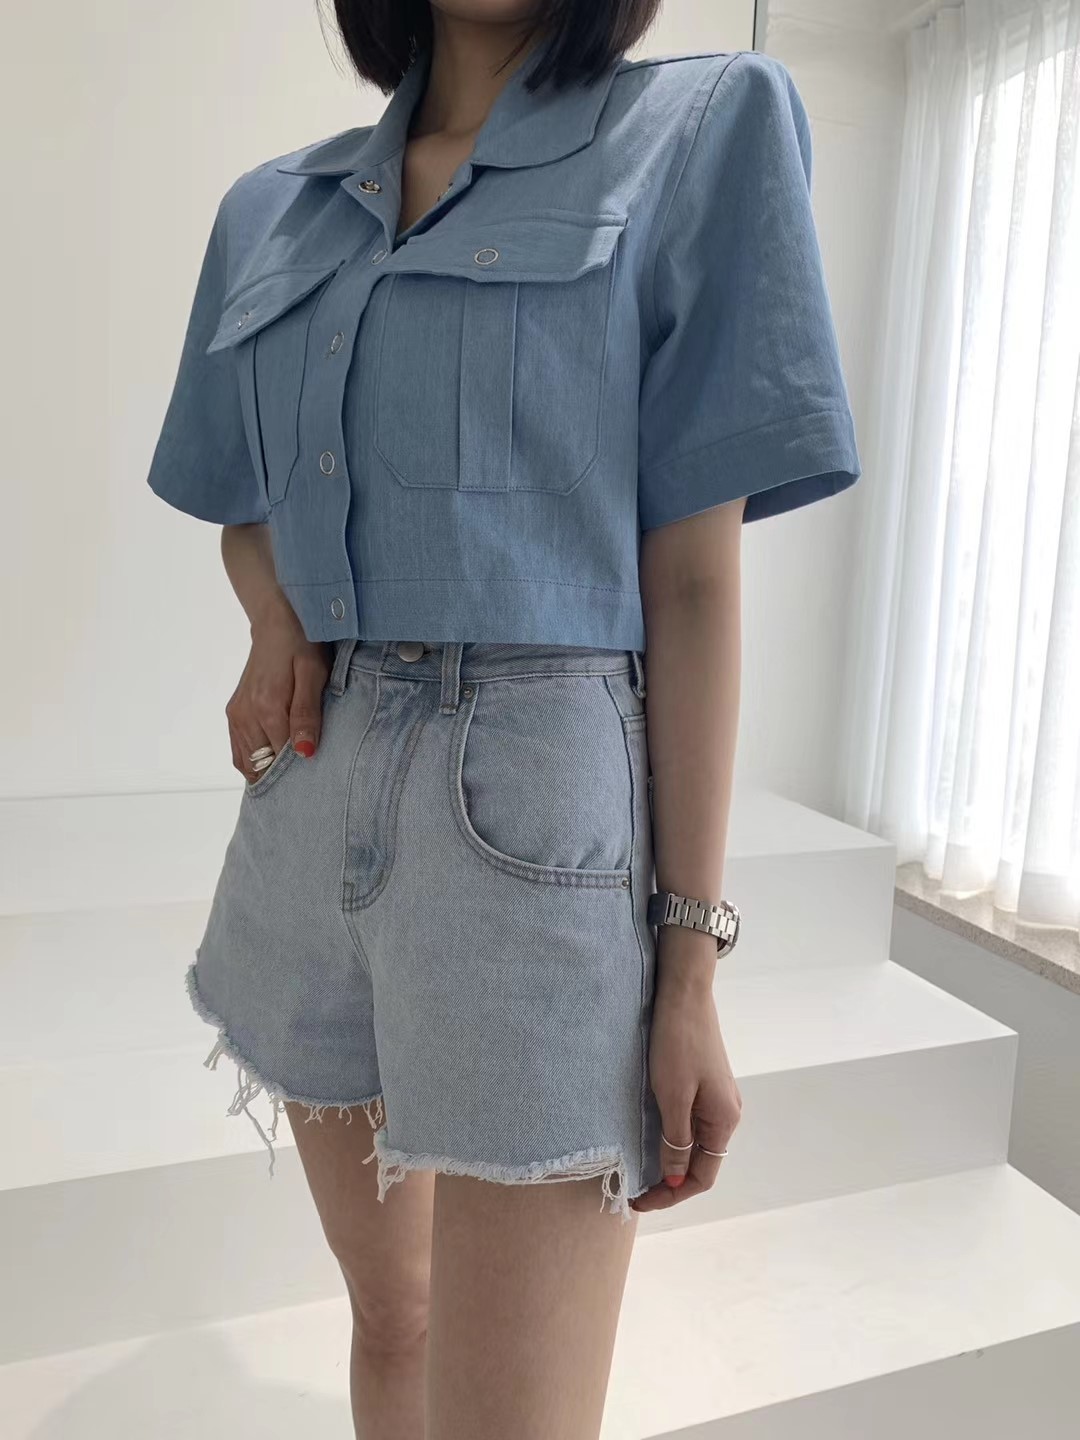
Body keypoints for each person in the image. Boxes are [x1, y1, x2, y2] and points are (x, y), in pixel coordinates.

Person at [146, 1, 861, 1435]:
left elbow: (694, 580)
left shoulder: (702, 131)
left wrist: (689, 966)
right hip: (306, 810)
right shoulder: (272, 210)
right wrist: (276, 615)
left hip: (532, 824)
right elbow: (245, 507)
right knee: (392, 1317)